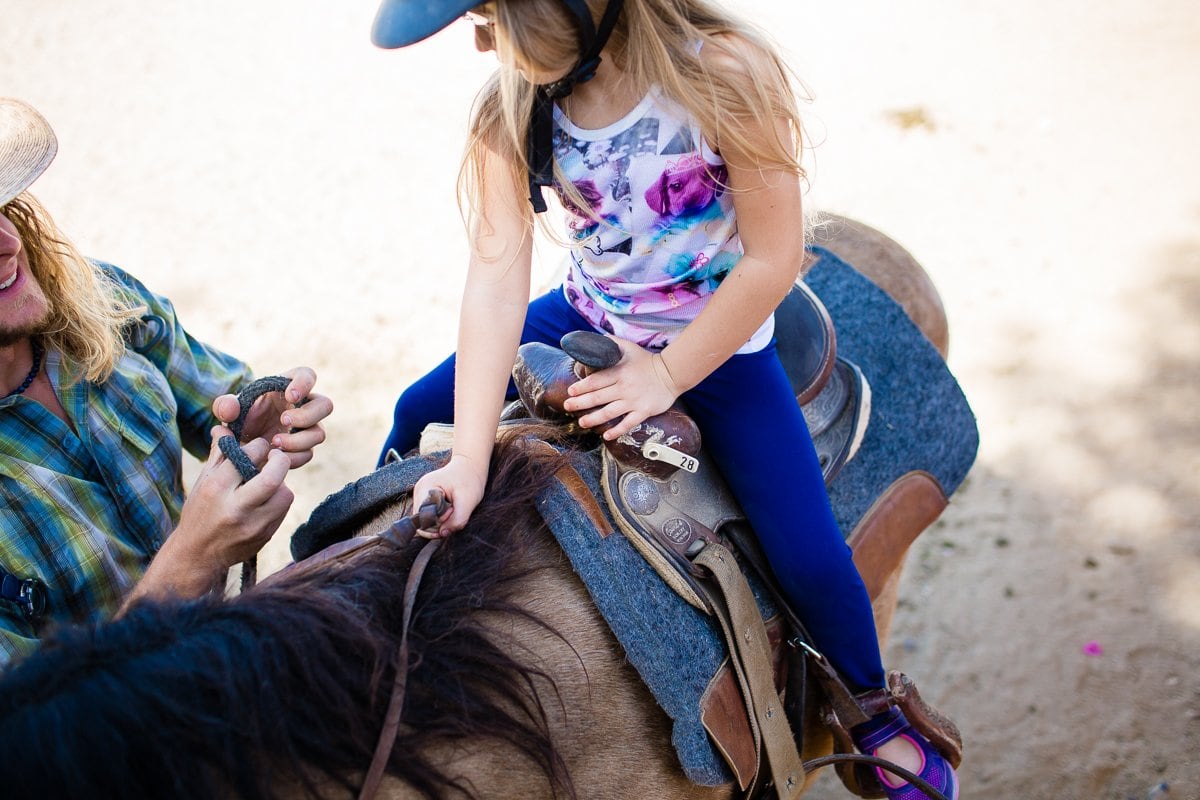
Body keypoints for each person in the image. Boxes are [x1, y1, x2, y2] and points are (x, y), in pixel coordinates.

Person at [370, 2, 957, 797]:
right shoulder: (511, 100)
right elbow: (496, 275)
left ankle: (873, 709)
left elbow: (774, 258)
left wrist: (668, 374)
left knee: (809, 555)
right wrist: (469, 456)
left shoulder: (722, 75)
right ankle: (373, 603)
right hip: (587, 311)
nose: (479, 39)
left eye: (490, 13)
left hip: (714, 344)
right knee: (416, 408)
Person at [0, 98, 334, 666]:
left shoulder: (102, 299)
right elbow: (31, 740)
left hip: (230, 651)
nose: (8, 245)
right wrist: (192, 558)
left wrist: (261, 416)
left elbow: (219, 401)